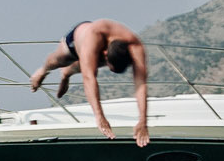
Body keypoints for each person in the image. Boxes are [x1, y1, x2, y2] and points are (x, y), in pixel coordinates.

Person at [30, 18, 150, 146]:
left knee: (86, 63)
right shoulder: (93, 36)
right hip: (77, 38)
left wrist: (143, 121)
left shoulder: (135, 46)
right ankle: (43, 70)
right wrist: (100, 117)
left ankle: (66, 73)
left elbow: (141, 84)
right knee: (57, 61)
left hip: (97, 50)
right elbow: (89, 78)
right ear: (105, 54)